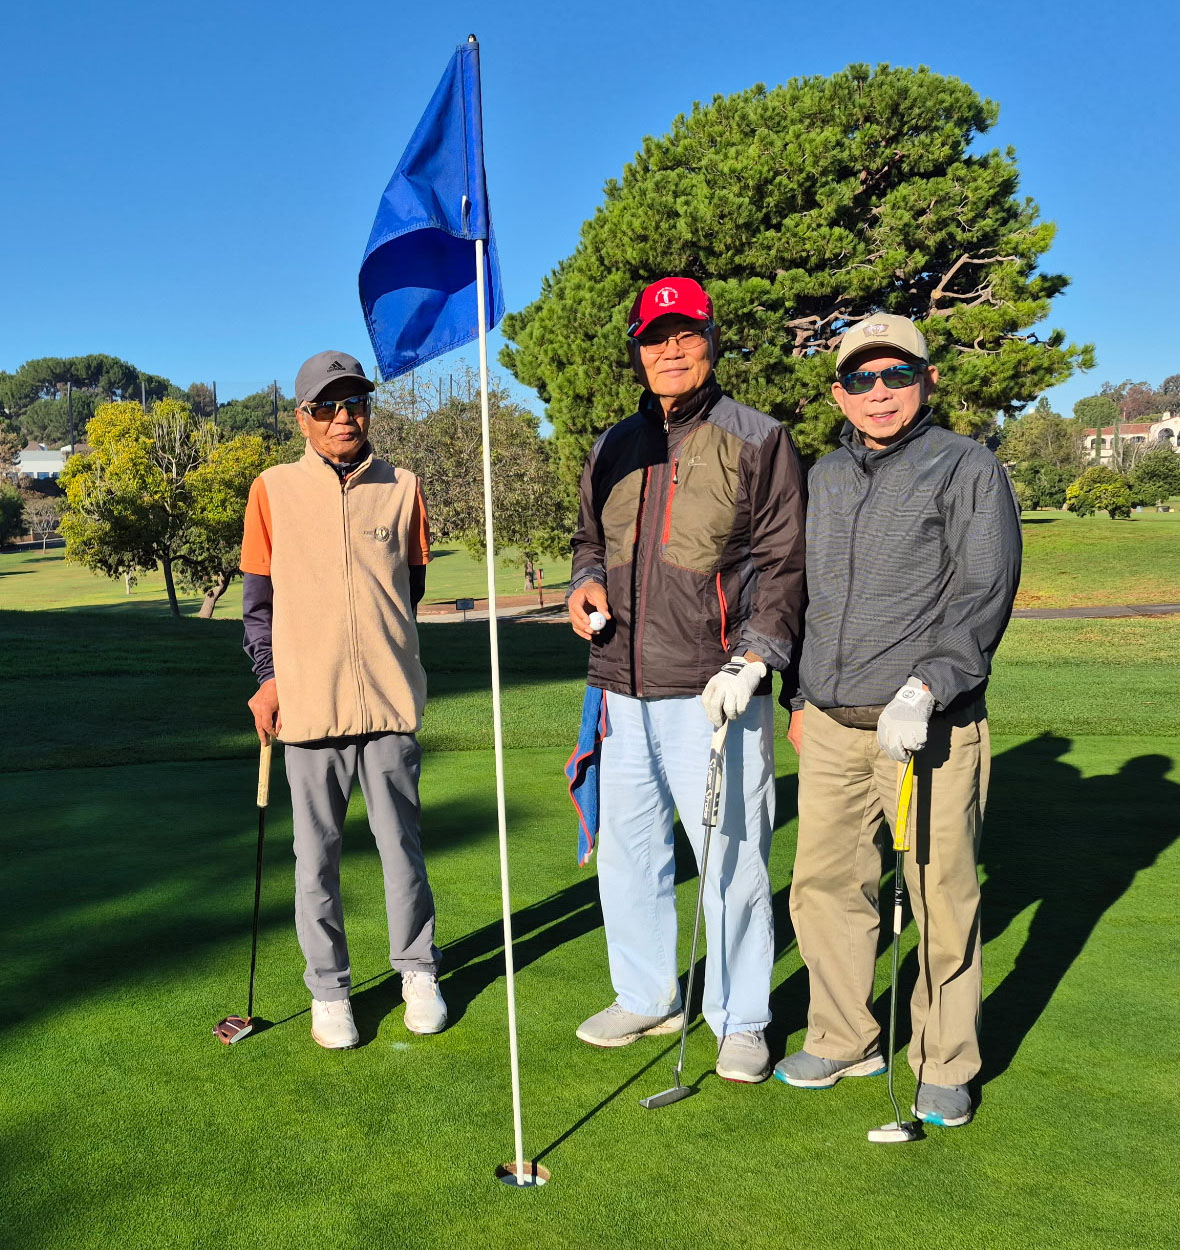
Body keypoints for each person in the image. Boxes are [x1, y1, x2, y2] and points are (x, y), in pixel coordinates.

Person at [777, 313, 1021, 1126]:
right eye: (860, 379)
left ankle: (945, 1060)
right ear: (838, 392)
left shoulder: (967, 466)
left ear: (928, 379)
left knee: (939, 895)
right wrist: (798, 696)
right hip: (833, 725)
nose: (878, 393)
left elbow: (983, 588)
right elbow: (801, 596)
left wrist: (929, 686)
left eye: (896, 375)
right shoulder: (822, 477)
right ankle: (844, 1035)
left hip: (929, 726)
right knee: (824, 887)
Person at [567, 277, 807, 1083]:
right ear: (637, 349)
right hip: (620, 685)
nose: (671, 350)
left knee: (733, 861)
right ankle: (645, 993)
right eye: (655, 337)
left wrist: (756, 656)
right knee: (629, 856)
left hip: (714, 688)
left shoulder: (757, 438)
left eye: (686, 334)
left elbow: (783, 565)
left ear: (710, 340)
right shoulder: (612, 446)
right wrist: (583, 584)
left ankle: (742, 1019)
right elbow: (586, 543)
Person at [239, 349, 447, 1049]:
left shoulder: (403, 487)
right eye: (326, 406)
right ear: (303, 417)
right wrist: (269, 677)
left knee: (401, 850)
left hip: (388, 703)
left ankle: (417, 970)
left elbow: (407, 593)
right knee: (316, 859)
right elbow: (258, 603)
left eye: (354, 402)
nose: (342, 417)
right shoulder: (270, 489)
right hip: (307, 707)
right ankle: (330, 991)